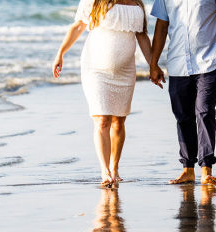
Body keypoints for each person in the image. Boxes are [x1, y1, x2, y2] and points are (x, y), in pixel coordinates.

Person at [53, 0, 153, 186]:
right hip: (95, 68)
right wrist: (60, 54)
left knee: (119, 121)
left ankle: (114, 167)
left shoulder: (137, 4)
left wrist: (153, 65)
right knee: (102, 119)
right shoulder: (94, 1)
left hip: (125, 71)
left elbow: (142, 36)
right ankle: (105, 170)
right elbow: (78, 27)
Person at [149, 0, 216, 185]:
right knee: (183, 116)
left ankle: (206, 169)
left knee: (204, 111)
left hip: (209, 59)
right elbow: (161, 25)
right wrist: (153, 64)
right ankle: (187, 169)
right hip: (178, 62)